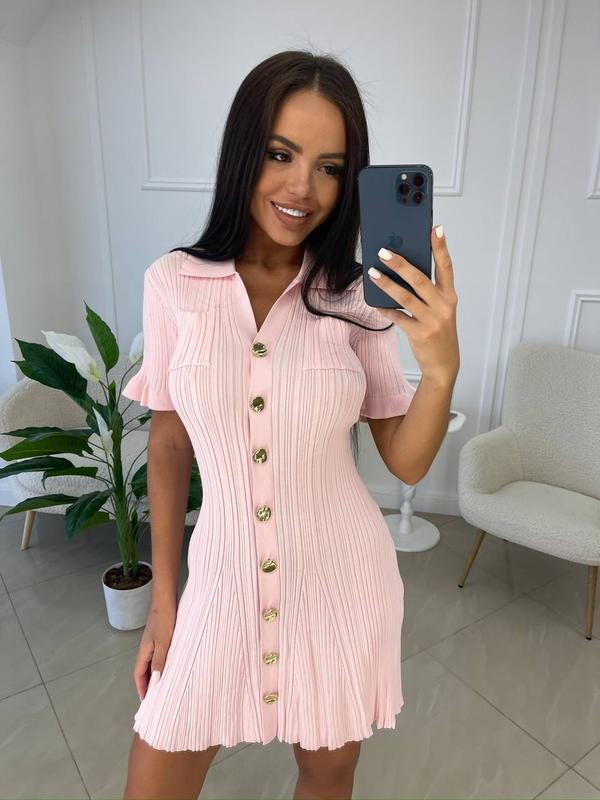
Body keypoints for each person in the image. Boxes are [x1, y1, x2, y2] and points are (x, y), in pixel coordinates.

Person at [122, 49, 459, 800]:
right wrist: (164, 601)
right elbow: (169, 442)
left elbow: (405, 461)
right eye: (280, 154)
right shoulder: (173, 284)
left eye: (330, 167)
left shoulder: (357, 298)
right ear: (244, 152)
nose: (302, 187)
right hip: (218, 581)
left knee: (326, 774)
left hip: (342, 584)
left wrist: (440, 371)